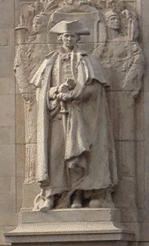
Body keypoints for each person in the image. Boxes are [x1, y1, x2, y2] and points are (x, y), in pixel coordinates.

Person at [29, 18, 117, 210]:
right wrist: (55, 92)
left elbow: (95, 90)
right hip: (56, 116)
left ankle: (78, 196)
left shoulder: (88, 60)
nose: (68, 39)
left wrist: (74, 94)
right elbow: (41, 90)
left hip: (81, 115)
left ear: (78, 38)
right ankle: (52, 196)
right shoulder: (50, 60)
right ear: (60, 39)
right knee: (55, 155)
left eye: (72, 36)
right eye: (65, 36)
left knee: (79, 157)